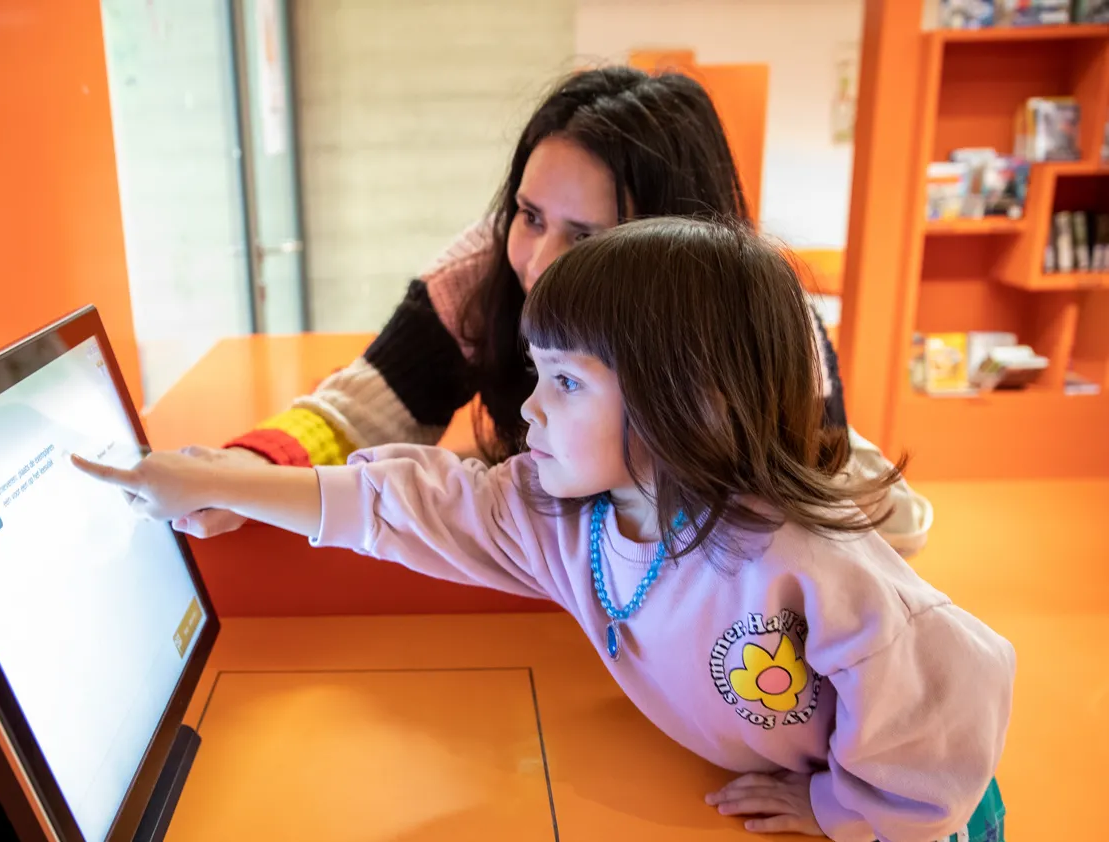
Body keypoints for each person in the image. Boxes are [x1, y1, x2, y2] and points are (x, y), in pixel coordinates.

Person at [74, 218, 1012, 841]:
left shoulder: (810, 564)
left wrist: (841, 808)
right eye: (537, 374)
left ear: (689, 397)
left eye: (565, 382)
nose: (530, 410)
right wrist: (212, 479)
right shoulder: (567, 520)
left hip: (927, 813)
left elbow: (953, 696)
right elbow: (406, 505)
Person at [179, 66, 932, 557]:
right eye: (529, 215)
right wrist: (249, 468)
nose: (538, 262)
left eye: (587, 237)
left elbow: (820, 514)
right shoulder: (480, 276)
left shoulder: (763, 323)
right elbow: (359, 412)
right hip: (531, 590)